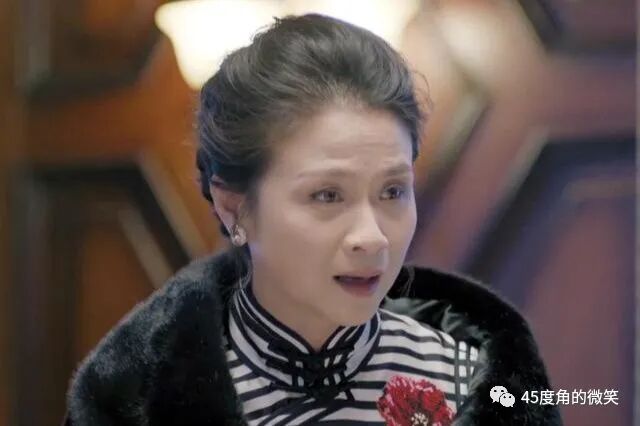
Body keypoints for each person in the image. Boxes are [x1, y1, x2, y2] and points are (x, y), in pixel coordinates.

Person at [63, 14, 562, 426]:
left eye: (393, 191)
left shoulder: (471, 381)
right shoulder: (140, 400)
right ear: (234, 207)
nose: (371, 237)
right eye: (327, 196)